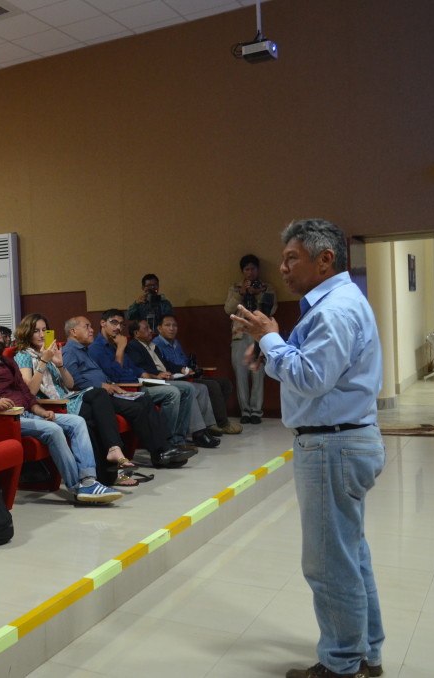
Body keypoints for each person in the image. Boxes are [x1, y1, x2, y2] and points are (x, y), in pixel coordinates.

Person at [232, 219, 385, 678]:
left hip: (332, 445)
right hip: (342, 439)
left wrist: (270, 338)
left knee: (327, 565)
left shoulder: (333, 309)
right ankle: (366, 655)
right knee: (350, 553)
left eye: (292, 258)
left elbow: (312, 379)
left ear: (325, 260)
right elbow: (309, 368)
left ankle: (341, 665)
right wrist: (272, 348)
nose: (282, 268)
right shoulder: (333, 303)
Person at [0, 317, 122, 504]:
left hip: (27, 412)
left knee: (78, 422)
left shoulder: (8, 363)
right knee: (54, 430)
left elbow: (27, 395)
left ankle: (89, 480)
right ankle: (77, 487)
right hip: (5, 419)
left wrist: (41, 411)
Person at [14, 314, 141, 487]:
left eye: (44, 330)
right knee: (98, 396)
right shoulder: (23, 355)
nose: (42, 335)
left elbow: (70, 384)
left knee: (94, 420)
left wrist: (59, 363)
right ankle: (113, 453)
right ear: (26, 333)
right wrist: (44, 362)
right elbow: (30, 391)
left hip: (66, 398)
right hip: (50, 406)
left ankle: (106, 473)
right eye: (36, 331)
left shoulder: (49, 353)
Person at [61, 316, 196, 468]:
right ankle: (160, 452)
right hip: (94, 398)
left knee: (144, 399)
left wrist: (111, 384)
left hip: (107, 391)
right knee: (137, 408)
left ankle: (164, 449)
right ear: (73, 331)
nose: (92, 330)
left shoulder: (84, 351)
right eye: (87, 327)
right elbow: (73, 382)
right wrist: (103, 385)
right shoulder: (70, 351)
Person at [87, 309, 202, 453]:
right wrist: (121, 348)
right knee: (171, 393)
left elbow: (133, 367)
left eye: (121, 325)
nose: (118, 328)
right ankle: (168, 441)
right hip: (128, 388)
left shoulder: (115, 342)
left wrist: (151, 376)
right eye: (114, 322)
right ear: (103, 323)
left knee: (187, 388)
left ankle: (178, 439)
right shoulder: (97, 348)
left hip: (139, 382)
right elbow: (113, 376)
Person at [124, 318, 221, 448]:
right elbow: (139, 368)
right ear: (136, 333)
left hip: (164, 378)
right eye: (146, 328)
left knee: (201, 388)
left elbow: (166, 364)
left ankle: (196, 431)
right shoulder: (133, 347)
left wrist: (180, 369)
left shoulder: (152, 346)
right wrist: (157, 375)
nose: (150, 331)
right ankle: (190, 435)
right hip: (151, 382)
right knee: (187, 388)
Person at [153, 313, 240, 435]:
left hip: (189, 375)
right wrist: (183, 370)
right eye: (167, 325)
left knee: (225, 384)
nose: (172, 328)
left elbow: (183, 361)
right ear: (159, 328)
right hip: (176, 378)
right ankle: (222, 423)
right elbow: (164, 366)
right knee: (212, 386)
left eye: (174, 325)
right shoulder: (156, 344)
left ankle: (212, 420)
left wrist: (192, 366)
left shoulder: (176, 343)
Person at [224, 254, 278, 424]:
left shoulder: (267, 288)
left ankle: (256, 411)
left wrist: (258, 293)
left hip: (259, 335)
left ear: (258, 270)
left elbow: (272, 309)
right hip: (240, 335)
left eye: (253, 269)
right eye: (247, 269)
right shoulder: (235, 288)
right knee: (240, 374)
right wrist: (242, 293)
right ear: (242, 271)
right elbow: (228, 309)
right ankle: (245, 412)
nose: (250, 272)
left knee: (258, 374)